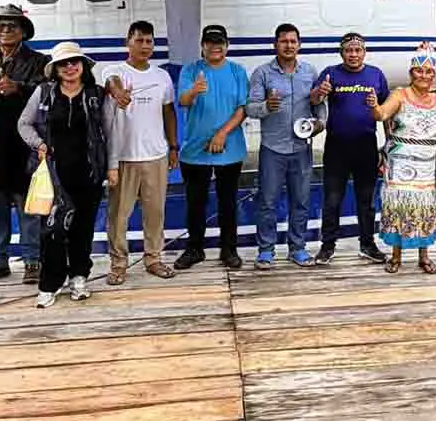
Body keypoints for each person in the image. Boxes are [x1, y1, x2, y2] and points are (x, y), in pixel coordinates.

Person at [18, 42, 116, 307]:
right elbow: (23, 123)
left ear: (83, 66)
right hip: (53, 174)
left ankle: (79, 277)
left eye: (75, 62)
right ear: (56, 69)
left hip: (89, 172)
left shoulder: (96, 94)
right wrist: (38, 144)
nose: (70, 67)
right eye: (64, 63)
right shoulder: (44, 92)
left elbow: (110, 132)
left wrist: (112, 166)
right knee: (52, 230)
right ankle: (49, 283)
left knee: (82, 230)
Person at [0, 4, 49, 285]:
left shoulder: (41, 61)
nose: (5, 30)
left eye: (12, 25)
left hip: (24, 147)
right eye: (0, 26)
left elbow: (49, 95)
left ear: (23, 31)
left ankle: (32, 260)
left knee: (29, 207)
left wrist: (20, 88)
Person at [101, 21, 180, 284]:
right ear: (128, 42)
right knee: (118, 214)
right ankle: (118, 263)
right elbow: (110, 82)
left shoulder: (162, 76)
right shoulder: (114, 71)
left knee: (155, 212)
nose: (145, 46)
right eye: (139, 40)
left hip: (156, 155)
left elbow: (168, 112)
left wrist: (173, 146)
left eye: (149, 41)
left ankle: (154, 258)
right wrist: (117, 92)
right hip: (123, 157)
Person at [174, 24, 250, 271]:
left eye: (220, 42)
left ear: (226, 45)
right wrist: (194, 91)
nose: (215, 47)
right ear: (202, 46)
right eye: (210, 42)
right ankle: (194, 248)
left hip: (230, 147)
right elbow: (183, 101)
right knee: (195, 202)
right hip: (195, 150)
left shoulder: (238, 71)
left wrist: (222, 134)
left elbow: (242, 109)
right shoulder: (190, 70)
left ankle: (229, 249)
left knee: (227, 201)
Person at [246, 24, 321, 269]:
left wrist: (319, 124)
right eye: (283, 41)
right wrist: (267, 105)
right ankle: (266, 250)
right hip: (272, 149)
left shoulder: (310, 72)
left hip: (301, 149)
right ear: (275, 45)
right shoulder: (262, 73)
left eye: (293, 41)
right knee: (267, 202)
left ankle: (297, 248)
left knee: (300, 201)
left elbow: (320, 106)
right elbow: (251, 108)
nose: (288, 45)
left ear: (299, 44)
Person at [312, 33, 390, 265]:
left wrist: (388, 142)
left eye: (357, 50)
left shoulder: (376, 75)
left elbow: (385, 110)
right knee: (332, 199)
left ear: (364, 52)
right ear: (341, 53)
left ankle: (367, 244)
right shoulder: (330, 73)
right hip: (337, 146)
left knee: (366, 200)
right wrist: (320, 92)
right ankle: (327, 246)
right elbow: (314, 101)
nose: (353, 54)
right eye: (348, 50)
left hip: (366, 145)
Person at [370, 43, 436, 274]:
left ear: (434, 75)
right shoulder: (399, 94)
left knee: (425, 209)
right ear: (411, 73)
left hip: (428, 164)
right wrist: (373, 106)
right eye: (419, 71)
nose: (424, 75)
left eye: (429, 71)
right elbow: (382, 114)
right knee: (400, 207)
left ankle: (424, 256)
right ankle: (396, 256)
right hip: (401, 164)